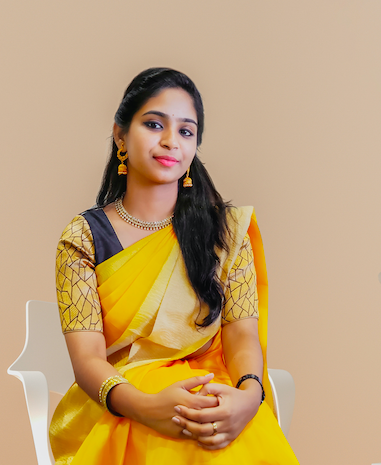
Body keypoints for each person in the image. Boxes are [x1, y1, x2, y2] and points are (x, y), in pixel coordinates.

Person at [50, 68, 299, 465]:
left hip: (213, 397)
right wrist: (146, 407)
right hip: (121, 401)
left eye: (186, 131)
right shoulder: (83, 237)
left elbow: (242, 337)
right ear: (120, 136)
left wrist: (249, 398)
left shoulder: (225, 232)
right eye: (154, 124)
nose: (171, 141)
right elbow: (87, 360)